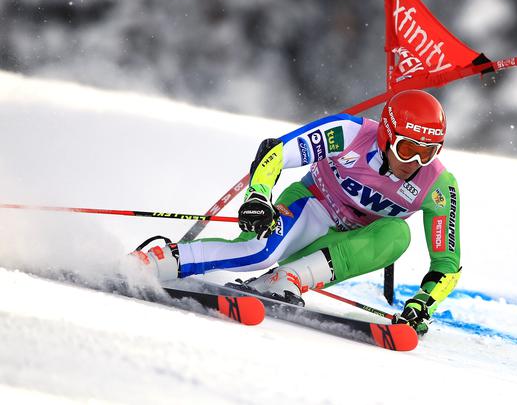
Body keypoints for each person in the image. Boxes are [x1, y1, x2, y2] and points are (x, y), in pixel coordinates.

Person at [134, 89, 461, 334]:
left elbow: (447, 264)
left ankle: (285, 280)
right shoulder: (349, 134)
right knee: (256, 253)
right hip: (311, 206)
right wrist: (259, 196)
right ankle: (155, 261)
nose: (415, 163)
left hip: (343, 248)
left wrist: (422, 303)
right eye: (408, 149)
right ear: (387, 135)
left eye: (429, 152)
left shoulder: (438, 185)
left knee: (397, 233)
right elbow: (277, 151)